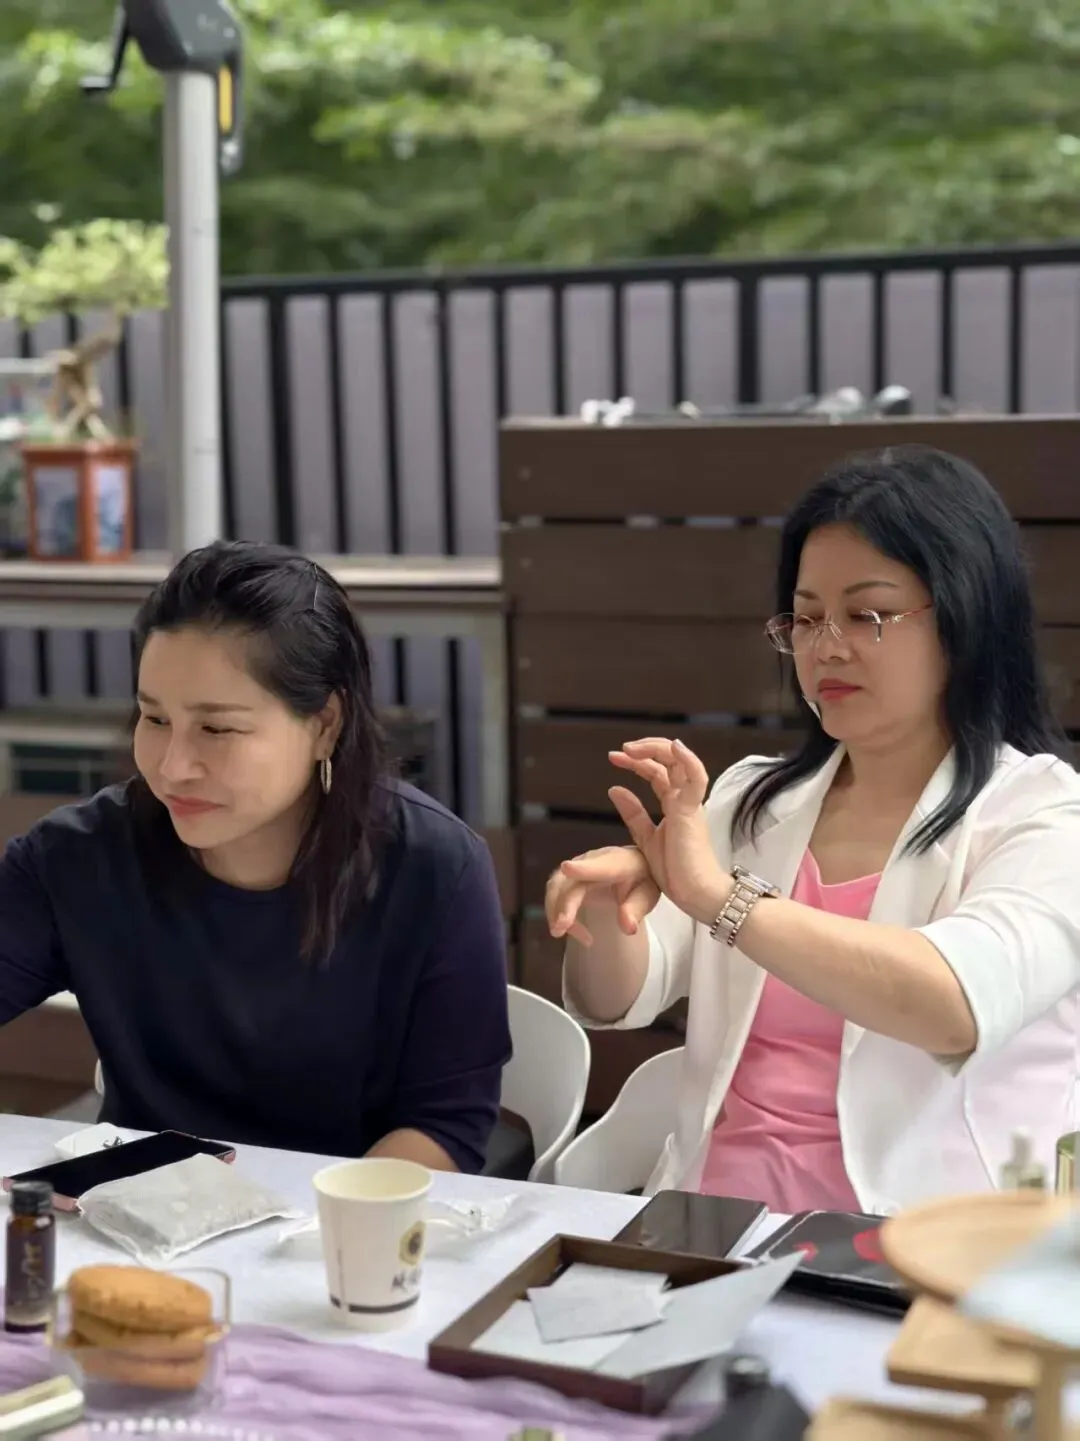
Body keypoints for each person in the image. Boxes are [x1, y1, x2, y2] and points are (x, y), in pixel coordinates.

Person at [548, 445, 1080, 1214]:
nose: (826, 645)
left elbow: (954, 1004)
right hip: (713, 1221)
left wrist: (723, 899)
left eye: (867, 615)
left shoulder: (1045, 812)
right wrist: (603, 911)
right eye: (804, 617)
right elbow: (616, 999)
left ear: (965, 619)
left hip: (930, 1241)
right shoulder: (753, 797)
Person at [0, 542, 512, 1172]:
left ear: (324, 724)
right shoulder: (76, 857)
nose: (172, 766)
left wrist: (315, 1220)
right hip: (136, 1210)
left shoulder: (434, 868)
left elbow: (445, 1125)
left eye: (217, 728)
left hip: (343, 1220)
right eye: (154, 718)